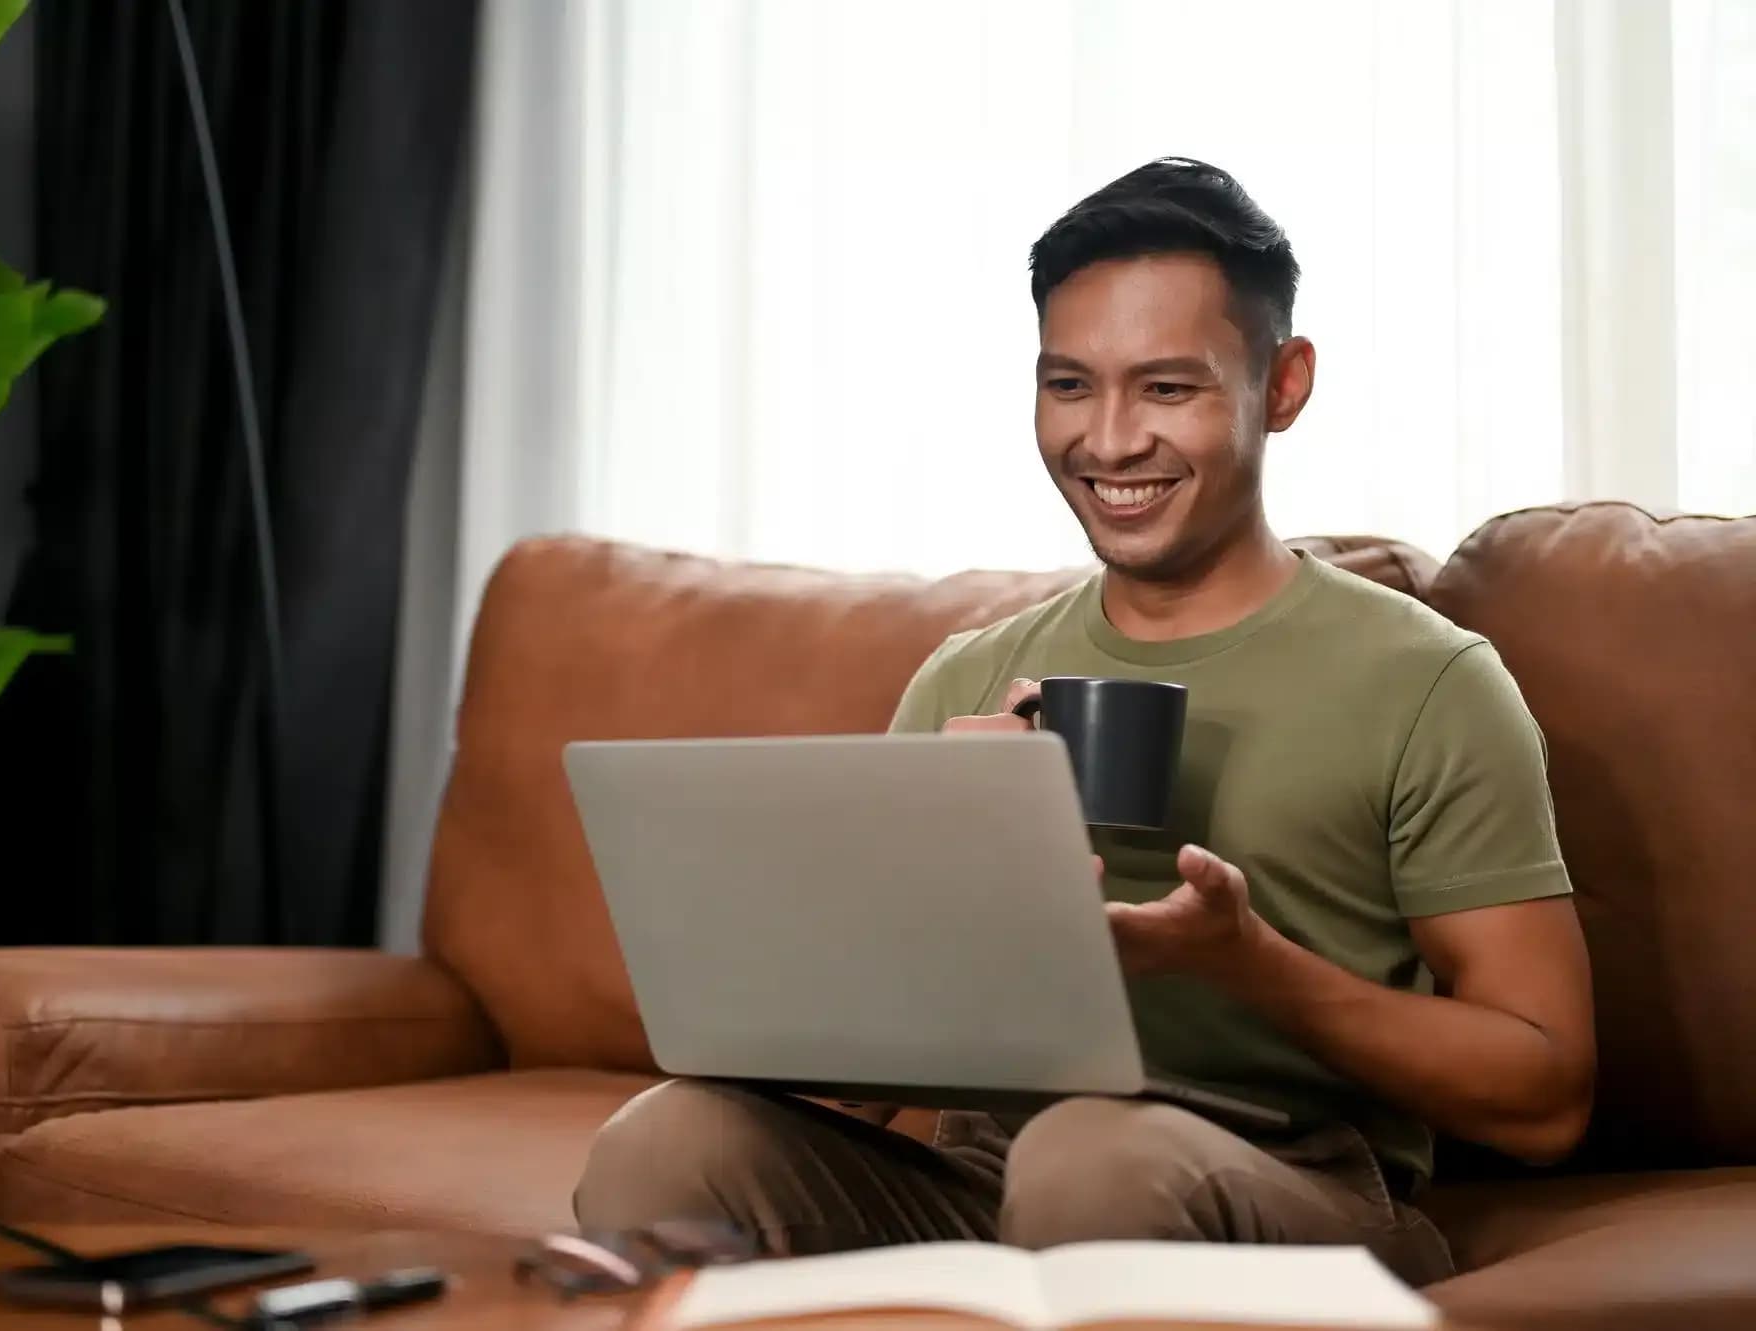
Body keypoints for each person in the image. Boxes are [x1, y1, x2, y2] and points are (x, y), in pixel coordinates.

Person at [572, 157, 1594, 1285]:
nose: (1107, 443)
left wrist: (1246, 962)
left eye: (1165, 389)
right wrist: (922, 902)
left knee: (1087, 1153)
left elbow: (1545, 1091)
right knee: (662, 1143)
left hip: (1294, 1183)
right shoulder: (973, 677)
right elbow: (857, 1083)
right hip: (984, 1181)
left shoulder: (1426, 680)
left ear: (1283, 383)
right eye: (1069, 386)